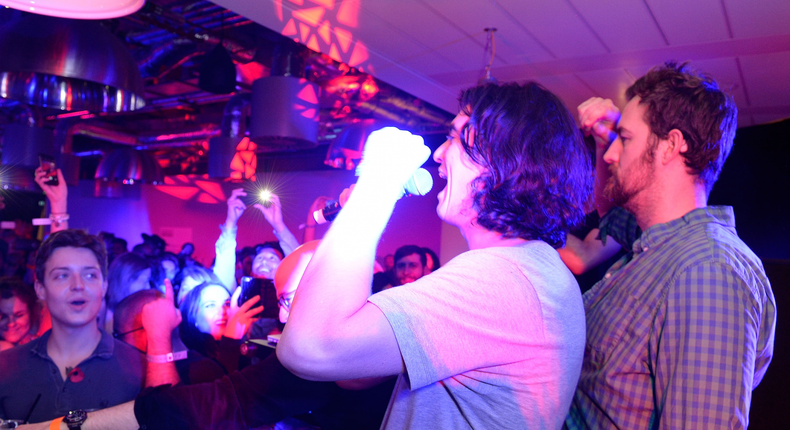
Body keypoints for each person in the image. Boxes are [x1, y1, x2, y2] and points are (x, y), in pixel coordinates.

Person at [277, 82, 593, 429]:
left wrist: (376, 188)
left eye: (456, 136)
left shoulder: (501, 279)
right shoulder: (529, 269)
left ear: (505, 157)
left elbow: (308, 350)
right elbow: (353, 375)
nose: (439, 153)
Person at [564, 62, 776, 429]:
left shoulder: (708, 271)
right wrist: (607, 136)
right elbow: (607, 208)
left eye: (625, 139)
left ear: (671, 146)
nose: (612, 154)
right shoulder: (656, 244)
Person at [0, 229, 144, 423]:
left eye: (90, 275)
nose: (78, 285)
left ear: (104, 286)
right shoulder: (5, 366)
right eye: (62, 276)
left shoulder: (140, 367)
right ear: (41, 290)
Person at [178, 281, 261, 374]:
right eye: (210, 305)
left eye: (227, 304)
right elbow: (225, 386)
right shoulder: (189, 362)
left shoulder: (244, 350)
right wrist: (231, 339)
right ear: (193, 316)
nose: (222, 311)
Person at [0, 277, 40, 350]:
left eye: (18, 315)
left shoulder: (45, 347)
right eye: (3, 317)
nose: (11, 324)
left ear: (31, 314)